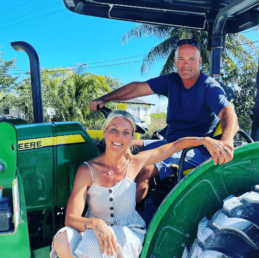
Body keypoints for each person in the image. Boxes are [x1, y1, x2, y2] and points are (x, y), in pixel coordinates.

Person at [50, 110, 232, 258]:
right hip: (94, 228)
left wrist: (205, 140)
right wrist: (95, 223)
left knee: (98, 243)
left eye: (126, 132)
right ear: (104, 131)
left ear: (131, 138)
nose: (119, 136)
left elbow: (175, 145)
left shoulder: (135, 162)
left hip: (128, 231)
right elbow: (71, 219)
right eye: (114, 129)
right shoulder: (87, 170)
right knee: (63, 238)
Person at [89, 39, 239, 203]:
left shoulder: (209, 87)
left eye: (191, 59)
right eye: (181, 59)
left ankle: (122, 220)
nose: (186, 64)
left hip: (195, 149)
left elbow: (228, 112)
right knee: (119, 146)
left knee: (144, 168)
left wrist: (226, 143)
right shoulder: (171, 81)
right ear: (175, 62)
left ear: (200, 62)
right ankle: (100, 198)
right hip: (171, 143)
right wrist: (105, 98)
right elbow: (137, 88)